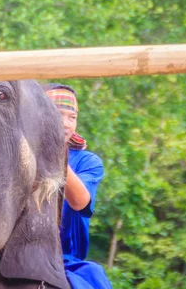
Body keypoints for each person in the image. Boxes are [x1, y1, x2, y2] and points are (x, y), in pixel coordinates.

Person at [44, 83, 113, 289]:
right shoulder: (18, 153)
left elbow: (80, 201)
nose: (66, 123)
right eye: (58, 114)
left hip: (64, 260)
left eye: (71, 117)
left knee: (93, 276)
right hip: (13, 254)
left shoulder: (87, 162)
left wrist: (52, 153)